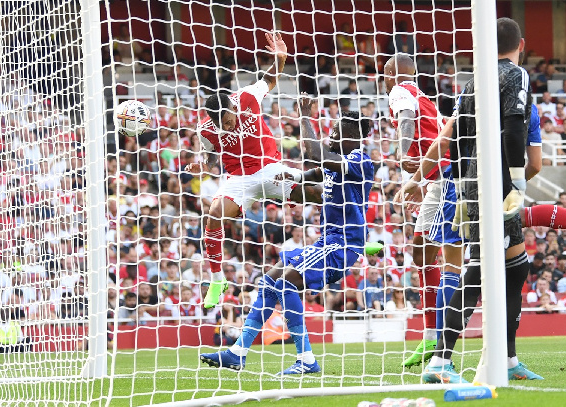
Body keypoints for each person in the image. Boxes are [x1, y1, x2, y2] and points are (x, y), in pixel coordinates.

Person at [200, 98, 373, 375]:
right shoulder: (336, 163)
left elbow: (317, 153)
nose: (331, 135)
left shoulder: (359, 160)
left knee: (285, 284)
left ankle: (306, 359)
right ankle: (238, 352)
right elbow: (311, 173)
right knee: (269, 281)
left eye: (336, 132)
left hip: (341, 245)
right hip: (326, 242)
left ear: (350, 137)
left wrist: (304, 117)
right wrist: (283, 180)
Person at [420, 18, 541, 383]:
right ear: (520, 43)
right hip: (498, 182)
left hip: (472, 181)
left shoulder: (473, 81)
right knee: (479, 270)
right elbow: (515, 123)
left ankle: (506, 358)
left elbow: (455, 137)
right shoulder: (515, 75)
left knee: (515, 266)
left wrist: (458, 183)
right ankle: (440, 360)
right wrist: (516, 182)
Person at [189, 33, 301, 308]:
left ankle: (351, 239)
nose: (228, 127)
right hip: (238, 179)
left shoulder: (248, 96)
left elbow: (270, 79)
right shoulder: (205, 130)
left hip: (269, 168)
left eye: (229, 120)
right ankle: (217, 279)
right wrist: (203, 165)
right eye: (223, 125)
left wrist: (280, 59)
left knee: (321, 194)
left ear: (232, 106)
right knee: (213, 214)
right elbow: (214, 159)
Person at [385, 53, 463, 368]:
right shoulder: (425, 98)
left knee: (438, 254)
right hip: (439, 178)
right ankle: (433, 337)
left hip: (444, 179)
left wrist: (402, 154)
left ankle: (439, 340)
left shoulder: (399, 90)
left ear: (390, 72)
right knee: (422, 253)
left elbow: (404, 118)